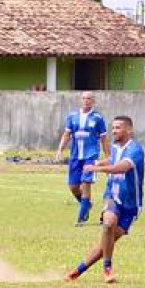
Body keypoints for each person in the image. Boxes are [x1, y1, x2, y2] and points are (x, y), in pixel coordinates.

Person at [66, 115, 145, 284]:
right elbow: (112, 160)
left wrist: (96, 168)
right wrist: (98, 162)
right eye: (113, 127)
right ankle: (107, 268)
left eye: (118, 128)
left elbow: (120, 168)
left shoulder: (136, 150)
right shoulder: (115, 147)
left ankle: (77, 271)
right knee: (108, 224)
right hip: (112, 196)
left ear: (129, 130)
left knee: (105, 244)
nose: (114, 131)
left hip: (131, 205)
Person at [56, 91, 109, 225]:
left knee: (85, 184)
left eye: (89, 99)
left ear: (93, 101)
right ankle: (87, 205)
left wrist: (108, 156)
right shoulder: (72, 116)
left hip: (90, 156)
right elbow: (67, 134)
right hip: (75, 156)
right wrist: (60, 150)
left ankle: (81, 218)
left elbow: (103, 138)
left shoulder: (98, 118)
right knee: (73, 186)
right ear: (81, 100)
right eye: (84, 98)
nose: (86, 101)